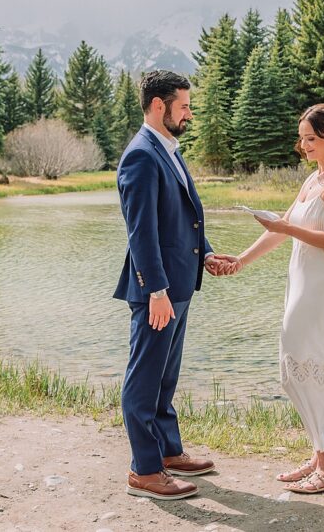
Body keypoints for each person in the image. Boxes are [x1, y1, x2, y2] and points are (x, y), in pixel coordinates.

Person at [231, 103, 324, 494]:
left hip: (319, 288)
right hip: (299, 281)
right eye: (302, 138)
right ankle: (319, 453)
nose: (303, 145)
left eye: (309, 138)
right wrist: (240, 261)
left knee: (306, 361)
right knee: (295, 365)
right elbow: (281, 230)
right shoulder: (313, 179)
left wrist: (288, 227)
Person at [113, 69, 239, 500]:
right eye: (183, 105)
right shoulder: (141, 155)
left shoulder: (167, 149)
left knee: (165, 378)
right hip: (159, 291)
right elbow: (141, 232)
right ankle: (144, 471)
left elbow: (182, 216)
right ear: (158, 105)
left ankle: (167, 452)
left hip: (179, 284)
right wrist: (156, 291)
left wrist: (205, 253)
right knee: (144, 379)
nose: (189, 113)